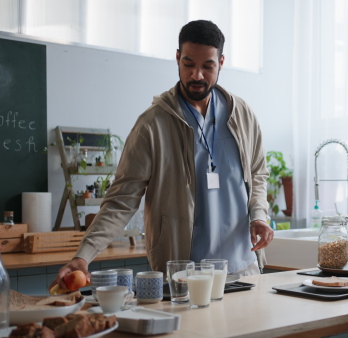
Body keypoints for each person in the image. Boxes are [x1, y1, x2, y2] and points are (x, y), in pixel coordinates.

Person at [50, 20, 274, 291]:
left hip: (244, 267)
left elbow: (258, 173)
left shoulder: (243, 115)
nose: (197, 76)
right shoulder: (151, 125)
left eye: (207, 66)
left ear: (221, 62)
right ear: (177, 57)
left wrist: (259, 215)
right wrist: (82, 256)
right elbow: (121, 200)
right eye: (189, 64)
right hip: (185, 274)